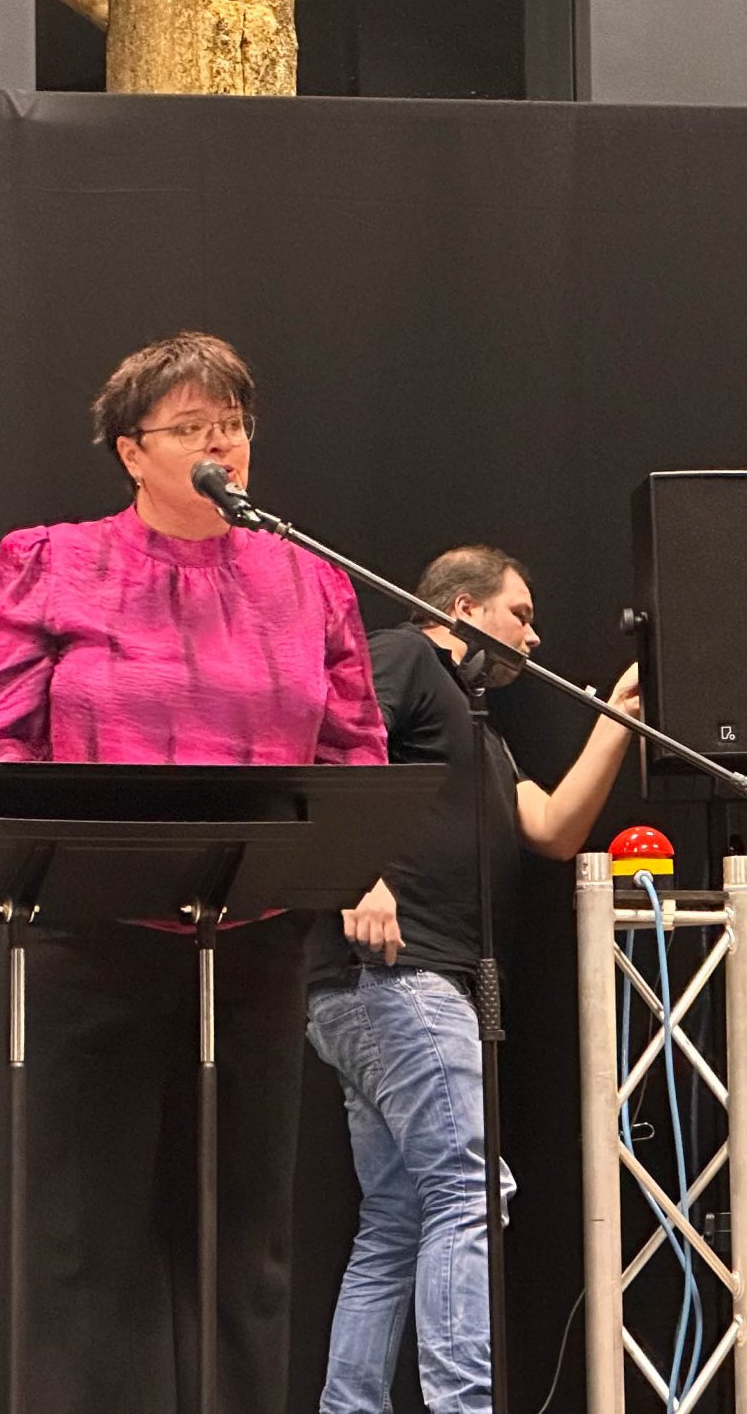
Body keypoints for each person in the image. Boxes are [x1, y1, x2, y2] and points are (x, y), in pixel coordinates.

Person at [0, 330, 388, 1414]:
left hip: (256, 940)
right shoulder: (53, 561)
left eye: (231, 425)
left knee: (246, 1244)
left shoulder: (311, 578)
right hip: (94, 938)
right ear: (130, 452)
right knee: (83, 1244)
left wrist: (345, 860)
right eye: (190, 428)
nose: (219, 447)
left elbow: (353, 751)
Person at [301, 546, 640, 1414]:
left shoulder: (481, 729)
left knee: (397, 1218)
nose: (534, 635)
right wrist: (358, 877)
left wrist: (617, 719)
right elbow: (332, 750)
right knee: (469, 1190)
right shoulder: (406, 655)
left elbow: (553, 827)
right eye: (519, 614)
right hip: (397, 975)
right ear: (462, 608)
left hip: (386, 989)